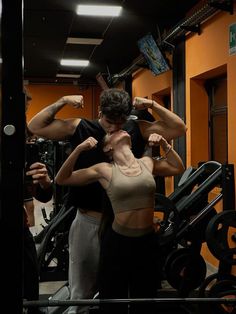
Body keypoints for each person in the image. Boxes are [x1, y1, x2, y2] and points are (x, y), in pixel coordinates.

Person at [28, 88, 187, 314]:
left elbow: (179, 128)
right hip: (90, 220)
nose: (115, 128)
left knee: (126, 290)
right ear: (100, 112)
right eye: (111, 122)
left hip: (123, 229)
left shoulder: (134, 129)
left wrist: (152, 105)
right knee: (82, 291)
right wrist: (63, 100)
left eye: (120, 122)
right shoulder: (80, 127)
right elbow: (35, 127)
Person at [55, 131, 185, 314]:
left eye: (123, 129)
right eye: (112, 132)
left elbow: (178, 167)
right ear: (108, 147)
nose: (121, 129)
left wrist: (164, 143)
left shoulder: (146, 163)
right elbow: (62, 179)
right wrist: (78, 149)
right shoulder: (104, 169)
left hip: (147, 242)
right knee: (113, 300)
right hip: (118, 243)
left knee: (145, 299)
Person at [23, 161, 53, 314]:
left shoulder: (15, 161)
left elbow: (45, 196)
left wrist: (45, 183)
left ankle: (33, 309)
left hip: (19, 230)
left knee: (30, 277)